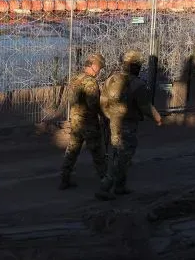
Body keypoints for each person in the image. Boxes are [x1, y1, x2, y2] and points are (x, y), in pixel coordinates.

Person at [97, 49, 163, 200]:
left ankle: (120, 187)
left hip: (112, 123)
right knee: (123, 156)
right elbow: (146, 106)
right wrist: (157, 118)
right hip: (127, 125)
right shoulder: (138, 84)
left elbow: (102, 102)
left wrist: (109, 116)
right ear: (136, 66)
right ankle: (105, 187)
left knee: (118, 154)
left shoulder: (111, 79)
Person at [59, 53, 108, 190]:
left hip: (75, 122)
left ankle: (64, 179)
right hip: (89, 123)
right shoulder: (90, 82)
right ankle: (106, 184)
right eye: (99, 67)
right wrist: (103, 116)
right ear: (92, 66)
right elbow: (94, 105)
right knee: (98, 155)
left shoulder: (75, 78)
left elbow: (71, 100)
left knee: (72, 151)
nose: (99, 71)